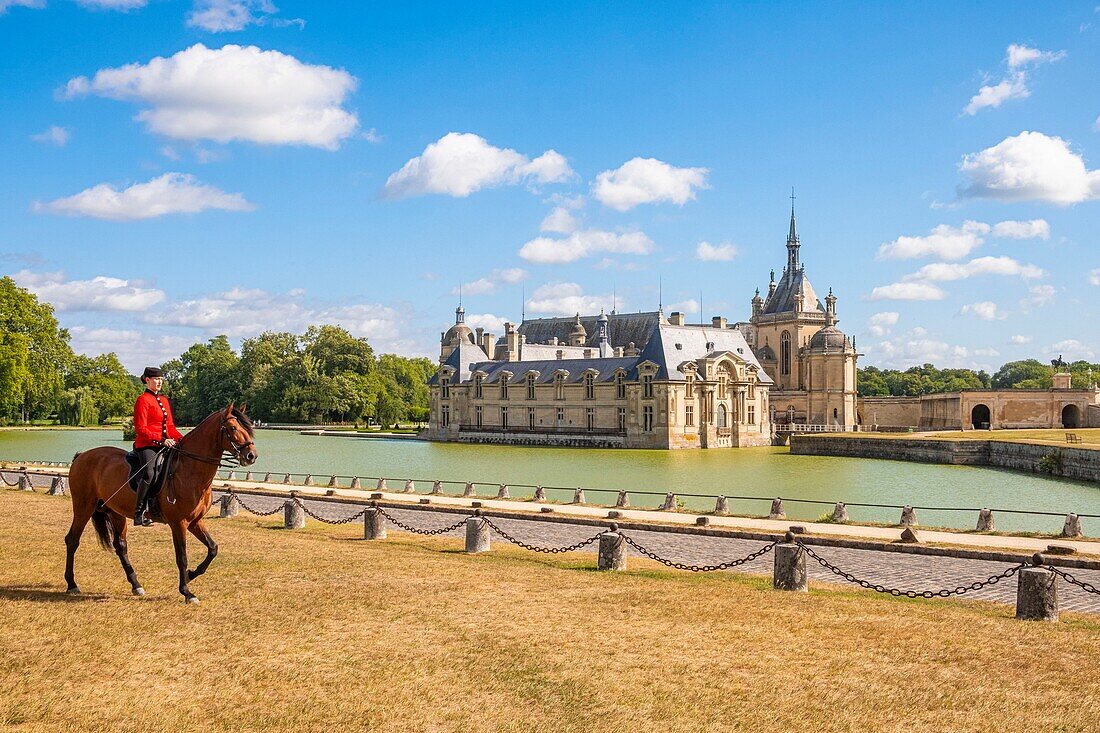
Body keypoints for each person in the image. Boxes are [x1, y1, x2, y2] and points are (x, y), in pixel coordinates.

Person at [132, 366, 182, 527]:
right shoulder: (142, 400)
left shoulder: (164, 401)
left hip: (165, 443)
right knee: (149, 473)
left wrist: (182, 440)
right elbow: (141, 428)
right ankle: (139, 512)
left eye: (161, 379)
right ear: (147, 380)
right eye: (156, 379)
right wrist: (161, 440)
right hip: (147, 445)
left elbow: (171, 427)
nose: (159, 382)